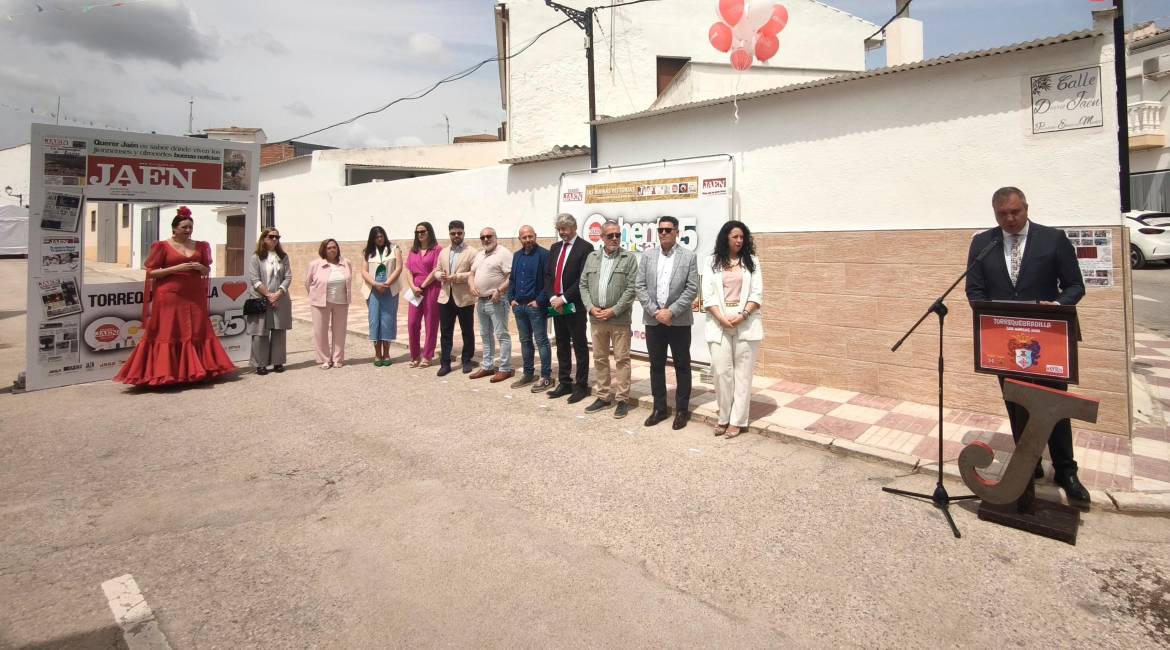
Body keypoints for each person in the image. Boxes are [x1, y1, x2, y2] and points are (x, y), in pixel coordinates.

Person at [965, 186, 1090, 505]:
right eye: (1002, 214)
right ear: (994, 213)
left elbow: (1075, 285)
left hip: (1047, 340)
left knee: (1054, 403)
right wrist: (991, 318)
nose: (1010, 218)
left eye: (1015, 212)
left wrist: (1057, 305)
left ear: (1026, 208)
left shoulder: (1053, 239)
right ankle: (1028, 464)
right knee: (1017, 403)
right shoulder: (983, 243)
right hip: (1004, 342)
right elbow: (974, 290)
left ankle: (1066, 470)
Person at [114, 206, 235, 386]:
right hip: (169, 296)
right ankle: (166, 372)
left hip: (194, 295)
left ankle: (197, 369)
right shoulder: (162, 246)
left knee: (195, 330)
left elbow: (207, 268)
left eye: (190, 227)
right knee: (169, 331)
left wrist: (201, 268)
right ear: (174, 229)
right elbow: (152, 272)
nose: (188, 230)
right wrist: (177, 268)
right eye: (184, 227)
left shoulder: (201, 245)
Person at [635, 215, 699, 430]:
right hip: (654, 322)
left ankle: (682, 410)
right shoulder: (648, 256)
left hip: (678, 322)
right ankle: (659, 408)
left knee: (682, 365)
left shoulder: (688, 257)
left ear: (677, 232)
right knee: (656, 366)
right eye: (660, 230)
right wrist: (655, 312)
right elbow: (640, 286)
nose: (663, 233)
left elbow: (692, 288)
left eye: (668, 230)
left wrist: (671, 312)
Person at [702, 221, 764, 438]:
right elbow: (707, 295)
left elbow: (757, 294)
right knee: (721, 373)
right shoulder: (711, 261)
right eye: (735, 237)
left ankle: (737, 421)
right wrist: (721, 317)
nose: (739, 241)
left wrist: (742, 315)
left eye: (742, 237)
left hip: (746, 323)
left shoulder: (752, 261)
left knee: (743, 375)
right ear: (725, 238)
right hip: (718, 322)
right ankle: (724, 417)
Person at [579, 220, 639, 419]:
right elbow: (583, 285)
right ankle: (603, 396)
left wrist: (614, 310)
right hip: (596, 318)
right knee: (600, 358)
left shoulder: (628, 258)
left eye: (617, 235)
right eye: (610, 235)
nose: (614, 238)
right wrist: (590, 307)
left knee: (622, 359)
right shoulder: (592, 257)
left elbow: (632, 289)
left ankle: (622, 399)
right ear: (602, 237)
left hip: (619, 318)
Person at [545, 213, 594, 403]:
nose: (562, 233)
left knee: (579, 346)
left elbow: (582, 278)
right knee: (562, 344)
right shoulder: (555, 247)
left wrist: (563, 298)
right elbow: (548, 275)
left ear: (573, 227)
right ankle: (564, 382)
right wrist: (552, 297)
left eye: (564, 229)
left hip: (574, 306)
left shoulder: (585, 247)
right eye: (559, 230)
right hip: (556, 305)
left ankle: (581, 386)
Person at [508, 225, 552, 392]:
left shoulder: (544, 255)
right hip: (519, 307)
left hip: (535, 307)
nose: (527, 240)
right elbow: (512, 279)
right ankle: (528, 373)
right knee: (525, 342)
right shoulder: (517, 256)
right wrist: (511, 299)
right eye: (524, 237)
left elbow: (549, 282)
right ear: (520, 239)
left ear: (535, 236)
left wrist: (539, 301)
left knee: (541, 341)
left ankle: (546, 377)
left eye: (530, 236)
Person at [245, 227, 293, 375]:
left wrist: (278, 293)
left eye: (277, 237)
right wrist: (268, 295)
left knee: (279, 330)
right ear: (264, 238)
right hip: (261, 298)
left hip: (280, 299)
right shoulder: (256, 257)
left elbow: (288, 276)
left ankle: (278, 362)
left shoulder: (283, 256)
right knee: (260, 332)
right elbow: (254, 279)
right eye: (271, 237)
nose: (274, 240)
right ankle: (260, 364)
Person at [468, 227, 514, 382]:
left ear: (496, 237)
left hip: (497, 300)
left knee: (501, 334)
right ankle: (487, 366)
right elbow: (471, 273)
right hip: (481, 301)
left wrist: (499, 291)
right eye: (483, 237)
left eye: (489, 236)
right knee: (485, 334)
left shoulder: (503, 253)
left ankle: (505, 368)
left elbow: (511, 275)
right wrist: (471, 285)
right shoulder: (480, 254)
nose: (486, 239)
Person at [434, 220, 476, 376]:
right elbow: (436, 270)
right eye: (453, 233)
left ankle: (467, 360)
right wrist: (440, 275)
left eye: (459, 233)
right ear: (449, 234)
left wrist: (456, 277)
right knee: (445, 332)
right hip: (445, 297)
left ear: (464, 233)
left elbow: (474, 273)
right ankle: (445, 363)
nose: (456, 235)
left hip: (464, 297)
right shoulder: (443, 252)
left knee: (467, 331)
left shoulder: (471, 252)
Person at [305, 238, 352, 369]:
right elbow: (307, 283)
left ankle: (337, 358)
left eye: (334, 247)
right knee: (320, 331)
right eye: (329, 248)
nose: (332, 250)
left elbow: (349, 280)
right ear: (324, 250)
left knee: (340, 331)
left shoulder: (346, 263)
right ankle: (325, 359)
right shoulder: (315, 264)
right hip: (320, 302)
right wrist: (316, 295)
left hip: (341, 301)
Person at [360, 226, 403, 367]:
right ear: (372, 238)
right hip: (373, 291)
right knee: (375, 321)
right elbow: (364, 271)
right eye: (377, 236)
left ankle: (387, 353)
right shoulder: (367, 252)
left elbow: (399, 268)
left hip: (390, 291)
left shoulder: (395, 248)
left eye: (381, 236)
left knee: (388, 320)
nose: (380, 238)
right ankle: (377, 354)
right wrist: (375, 284)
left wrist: (387, 284)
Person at [406, 221, 442, 367]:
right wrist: (413, 287)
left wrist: (423, 285)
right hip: (415, 290)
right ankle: (415, 355)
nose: (420, 234)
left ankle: (427, 355)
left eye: (422, 231)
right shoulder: (413, 250)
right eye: (417, 232)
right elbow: (408, 270)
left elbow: (435, 270)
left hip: (431, 288)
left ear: (429, 232)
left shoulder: (437, 249)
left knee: (431, 322)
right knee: (412, 323)